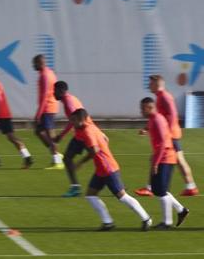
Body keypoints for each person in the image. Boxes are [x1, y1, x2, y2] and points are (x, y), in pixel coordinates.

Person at [70, 109, 152, 231]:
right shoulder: (91, 127)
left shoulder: (87, 131)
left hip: (108, 168)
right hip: (101, 168)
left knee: (122, 197)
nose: (72, 123)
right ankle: (108, 222)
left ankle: (146, 219)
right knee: (90, 195)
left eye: (74, 120)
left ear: (81, 120)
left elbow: (94, 150)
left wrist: (81, 162)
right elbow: (106, 139)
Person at [135, 75, 198, 197]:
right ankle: (191, 186)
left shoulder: (164, 96)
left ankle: (149, 188)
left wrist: (165, 133)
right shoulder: (160, 97)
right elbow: (158, 116)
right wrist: (148, 128)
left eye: (151, 83)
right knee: (179, 160)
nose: (149, 86)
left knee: (156, 158)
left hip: (170, 135)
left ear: (157, 84)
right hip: (171, 134)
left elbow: (173, 115)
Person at [140, 98, 190, 229]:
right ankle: (181, 210)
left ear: (150, 107)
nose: (141, 111)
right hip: (162, 158)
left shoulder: (157, 120)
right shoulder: (152, 119)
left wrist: (155, 163)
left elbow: (163, 143)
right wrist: (146, 130)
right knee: (158, 189)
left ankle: (167, 222)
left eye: (143, 108)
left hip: (166, 158)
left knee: (161, 191)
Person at [53, 81, 89, 197]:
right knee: (67, 158)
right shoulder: (69, 99)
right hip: (81, 134)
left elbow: (74, 120)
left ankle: (119, 185)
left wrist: (61, 136)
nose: (53, 93)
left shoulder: (69, 102)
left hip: (86, 133)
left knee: (99, 157)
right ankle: (75, 187)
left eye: (55, 90)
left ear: (61, 91)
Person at [32, 55, 62, 169]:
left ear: (40, 63)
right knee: (38, 132)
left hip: (48, 108)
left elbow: (44, 96)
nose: (33, 66)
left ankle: (57, 162)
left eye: (34, 63)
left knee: (50, 135)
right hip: (49, 107)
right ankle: (57, 155)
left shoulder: (45, 75)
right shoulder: (49, 72)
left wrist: (38, 114)